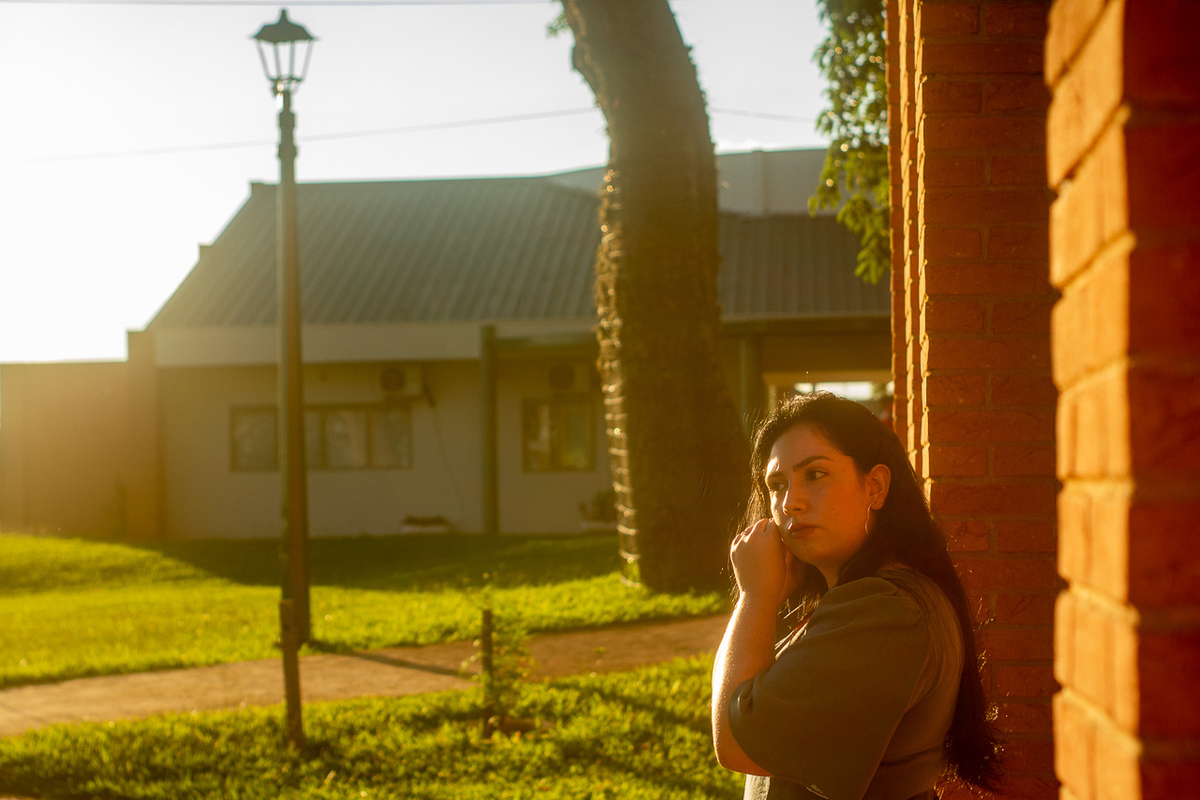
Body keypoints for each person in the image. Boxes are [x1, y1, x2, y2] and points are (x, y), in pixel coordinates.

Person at [711, 392, 1000, 800]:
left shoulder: (885, 610)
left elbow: (736, 741)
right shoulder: (862, 599)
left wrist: (754, 596)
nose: (790, 501)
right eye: (777, 484)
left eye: (815, 474)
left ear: (876, 487)